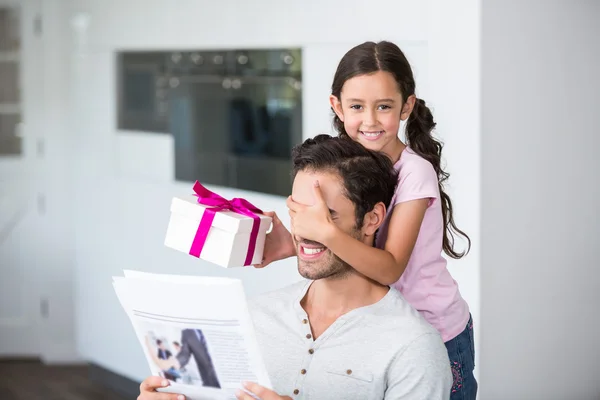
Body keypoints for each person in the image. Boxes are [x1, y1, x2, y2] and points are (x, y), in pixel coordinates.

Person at [138, 135, 451, 400]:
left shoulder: (413, 347)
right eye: (297, 212)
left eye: (325, 217)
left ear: (372, 219)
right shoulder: (252, 318)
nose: (303, 231)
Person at [257, 41, 477, 399]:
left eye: (384, 107)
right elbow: (350, 242)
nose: (370, 121)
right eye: (357, 106)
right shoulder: (345, 166)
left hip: (433, 328)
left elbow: (388, 268)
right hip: (376, 319)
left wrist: (325, 231)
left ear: (407, 106)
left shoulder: (415, 173)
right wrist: (290, 244)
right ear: (337, 106)